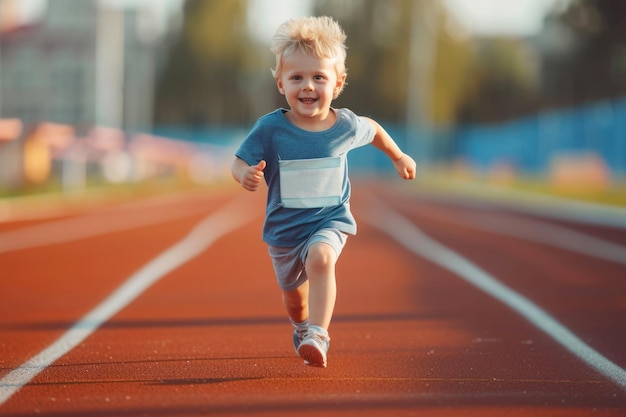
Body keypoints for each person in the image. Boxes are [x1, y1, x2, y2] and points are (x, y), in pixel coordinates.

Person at [231, 16, 416, 368]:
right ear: (280, 83)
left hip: (328, 221)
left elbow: (374, 129)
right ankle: (302, 325)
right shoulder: (270, 128)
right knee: (294, 301)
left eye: (319, 77)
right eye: (297, 77)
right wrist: (244, 175)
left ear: (338, 83)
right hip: (284, 232)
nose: (308, 86)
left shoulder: (344, 125)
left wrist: (398, 155)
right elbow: (239, 160)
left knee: (321, 258)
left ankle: (319, 333)